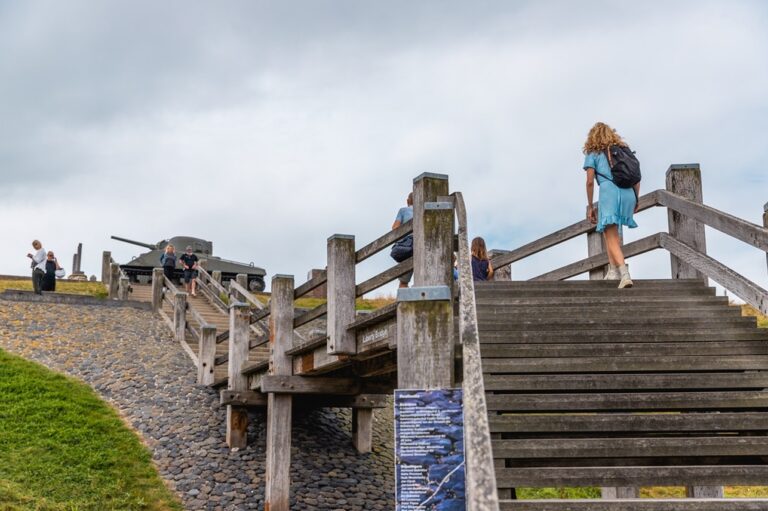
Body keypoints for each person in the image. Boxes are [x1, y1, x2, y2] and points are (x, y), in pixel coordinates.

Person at [583, 122, 640, 288]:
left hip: (609, 193)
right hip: (628, 192)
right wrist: (637, 198)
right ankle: (613, 271)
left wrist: (590, 205)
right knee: (611, 233)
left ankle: (624, 273)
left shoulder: (593, 154)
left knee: (611, 234)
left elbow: (589, 182)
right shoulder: (622, 151)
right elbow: (637, 176)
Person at [391, 192, 414, 288]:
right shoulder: (427, 211)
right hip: (425, 247)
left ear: (408, 201)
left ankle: (403, 302)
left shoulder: (403, 211)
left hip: (408, 248)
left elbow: (395, 228)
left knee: (404, 282)